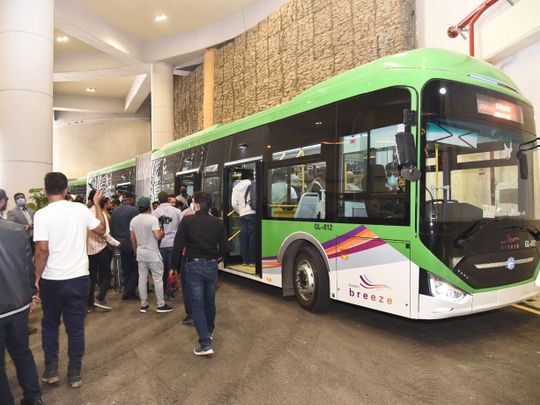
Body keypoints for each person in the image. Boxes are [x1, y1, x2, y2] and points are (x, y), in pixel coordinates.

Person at [34, 172, 106, 388]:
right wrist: (97, 204)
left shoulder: (41, 215)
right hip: (79, 279)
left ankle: (51, 370)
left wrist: (36, 279)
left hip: (52, 280)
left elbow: (42, 251)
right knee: (75, 328)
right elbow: (101, 230)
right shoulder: (80, 209)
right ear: (66, 190)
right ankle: (74, 373)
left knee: (50, 324)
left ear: (45, 190)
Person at [0, 189, 43, 405]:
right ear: (3, 203)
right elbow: (27, 267)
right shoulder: (17, 231)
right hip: (18, 305)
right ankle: (34, 398)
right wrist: (32, 294)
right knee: (22, 352)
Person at [171, 192, 228, 356]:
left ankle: (204, 343)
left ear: (195, 204)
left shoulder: (187, 221)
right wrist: (216, 258)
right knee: (210, 300)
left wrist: (173, 267)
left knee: (197, 303)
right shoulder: (218, 223)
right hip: (211, 266)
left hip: (193, 265)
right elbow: (225, 247)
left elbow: (178, 245)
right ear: (209, 204)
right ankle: (209, 330)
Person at [129, 197, 173, 314]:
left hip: (140, 252)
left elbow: (132, 238)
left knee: (142, 278)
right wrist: (162, 233)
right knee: (157, 279)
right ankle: (161, 304)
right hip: (152, 252)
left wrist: (135, 250)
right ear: (148, 206)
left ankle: (144, 305)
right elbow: (157, 236)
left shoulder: (133, 220)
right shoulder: (152, 219)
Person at [86, 190, 114, 312]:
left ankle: (89, 303)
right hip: (101, 248)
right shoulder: (101, 213)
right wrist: (113, 243)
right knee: (106, 275)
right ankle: (100, 296)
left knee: (91, 277)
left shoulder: (85, 212)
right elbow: (104, 231)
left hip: (88, 250)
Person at [153, 191, 183, 300]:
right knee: (172, 268)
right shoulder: (177, 211)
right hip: (173, 243)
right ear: (168, 199)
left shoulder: (155, 213)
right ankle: (171, 292)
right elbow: (182, 227)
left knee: (161, 270)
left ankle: (162, 292)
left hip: (160, 244)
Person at [110, 191, 139, 300]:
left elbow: (111, 227)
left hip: (118, 244)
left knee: (126, 269)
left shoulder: (115, 211)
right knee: (136, 268)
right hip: (131, 244)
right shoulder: (134, 210)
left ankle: (127, 289)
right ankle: (129, 291)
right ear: (131, 199)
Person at [231, 169, 256, 266]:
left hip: (242, 215)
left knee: (244, 238)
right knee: (253, 238)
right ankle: (253, 261)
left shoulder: (236, 187)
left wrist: (240, 211)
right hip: (253, 213)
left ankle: (245, 260)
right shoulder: (253, 183)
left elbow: (233, 204)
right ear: (251, 176)